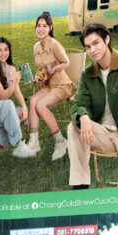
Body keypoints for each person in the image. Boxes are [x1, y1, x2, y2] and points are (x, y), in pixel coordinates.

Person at [64, 23, 118, 188]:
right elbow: (79, 103)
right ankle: (80, 187)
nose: (92, 50)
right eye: (88, 47)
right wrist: (83, 117)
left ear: (107, 39)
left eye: (96, 43)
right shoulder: (87, 74)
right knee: (73, 127)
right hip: (104, 134)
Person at [26, 11, 77, 162]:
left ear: (50, 28)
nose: (41, 29)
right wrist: (38, 77)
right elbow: (41, 68)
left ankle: (60, 141)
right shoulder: (36, 47)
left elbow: (66, 62)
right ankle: (34, 141)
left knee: (41, 105)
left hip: (62, 85)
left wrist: (55, 68)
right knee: (33, 101)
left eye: (44, 26)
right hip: (48, 86)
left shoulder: (54, 44)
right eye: (38, 26)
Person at [0, 37, 39, 158]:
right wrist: (15, 81)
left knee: (20, 113)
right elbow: (4, 95)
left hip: (0, 110)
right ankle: (18, 145)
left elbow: (17, 91)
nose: (3, 53)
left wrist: (24, 107)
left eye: (6, 49)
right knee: (9, 105)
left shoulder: (11, 68)